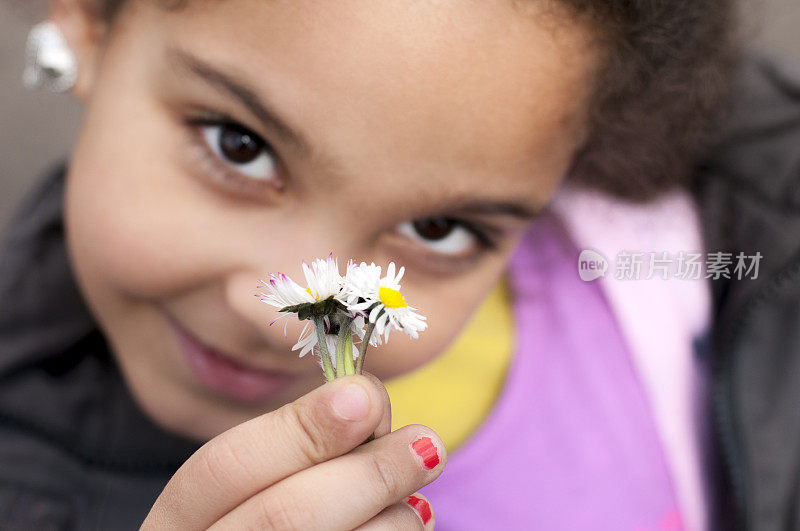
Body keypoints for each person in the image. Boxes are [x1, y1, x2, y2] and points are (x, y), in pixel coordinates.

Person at [1, 0, 798, 528]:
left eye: (440, 227)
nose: (296, 311)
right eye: (237, 145)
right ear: (88, 23)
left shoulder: (722, 232)